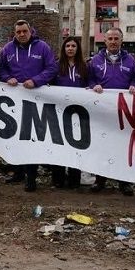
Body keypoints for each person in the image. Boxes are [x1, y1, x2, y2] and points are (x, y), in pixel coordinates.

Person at [0, 19, 57, 192]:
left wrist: (36, 80)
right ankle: (17, 172)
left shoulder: (43, 47)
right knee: (15, 136)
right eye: (18, 32)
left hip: (36, 99)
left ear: (31, 31)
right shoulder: (7, 49)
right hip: (14, 100)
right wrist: (7, 78)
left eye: (25, 31)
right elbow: (0, 68)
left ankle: (31, 177)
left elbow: (52, 68)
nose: (22, 34)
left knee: (31, 138)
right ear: (14, 33)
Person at [88, 27, 135, 196]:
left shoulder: (130, 60)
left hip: (123, 111)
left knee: (123, 146)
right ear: (105, 41)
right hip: (102, 111)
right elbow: (90, 79)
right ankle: (100, 179)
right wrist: (93, 85)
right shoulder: (95, 60)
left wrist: (134, 85)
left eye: (117, 38)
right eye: (110, 39)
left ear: (121, 41)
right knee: (102, 146)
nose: (113, 41)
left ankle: (124, 182)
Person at [50, 36, 88, 189]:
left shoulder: (84, 67)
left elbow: (90, 84)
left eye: (73, 46)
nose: (70, 48)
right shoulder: (55, 66)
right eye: (67, 46)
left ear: (77, 48)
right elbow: (49, 86)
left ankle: (74, 179)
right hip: (59, 112)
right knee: (59, 145)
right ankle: (57, 178)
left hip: (79, 114)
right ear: (63, 49)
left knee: (76, 146)